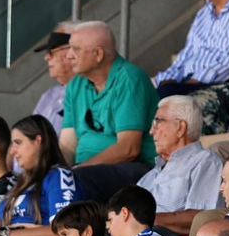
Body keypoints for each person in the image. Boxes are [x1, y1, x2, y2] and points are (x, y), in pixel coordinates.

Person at [60, 21, 159, 201]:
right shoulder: (75, 85)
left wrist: (77, 171)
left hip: (136, 167)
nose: (68, 56)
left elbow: (128, 149)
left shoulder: (129, 78)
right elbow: (67, 145)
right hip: (86, 170)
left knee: (75, 182)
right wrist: (54, 173)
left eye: (75, 49)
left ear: (98, 54)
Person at [137, 96, 229, 236]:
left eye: (157, 122)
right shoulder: (150, 176)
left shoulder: (205, 161)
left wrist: (145, 220)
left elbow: (203, 218)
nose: (151, 131)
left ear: (180, 127)